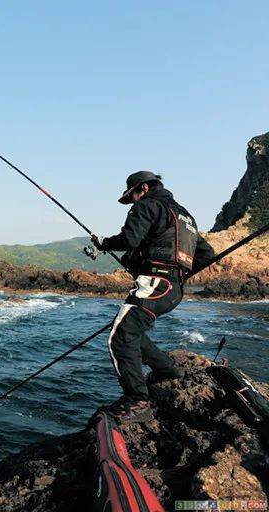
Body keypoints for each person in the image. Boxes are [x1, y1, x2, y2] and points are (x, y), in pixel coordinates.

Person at [91, 171, 214, 424]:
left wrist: (103, 242)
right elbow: (206, 255)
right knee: (132, 332)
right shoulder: (186, 217)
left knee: (120, 337)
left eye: (133, 195)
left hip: (155, 285)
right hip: (174, 290)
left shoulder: (148, 205)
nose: (134, 202)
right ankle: (167, 369)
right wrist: (176, 272)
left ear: (143, 189)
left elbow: (129, 238)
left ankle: (137, 401)